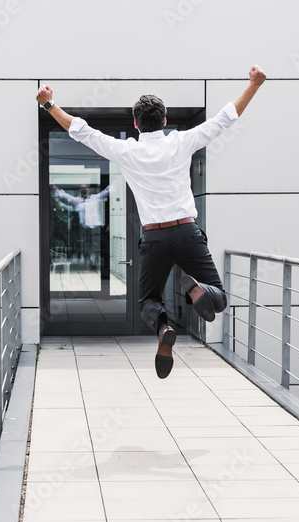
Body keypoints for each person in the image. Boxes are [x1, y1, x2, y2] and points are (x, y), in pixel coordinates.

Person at [36, 66, 266, 378]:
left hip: (154, 238)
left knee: (148, 301)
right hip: (187, 231)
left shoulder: (126, 151)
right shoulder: (181, 142)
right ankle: (198, 289)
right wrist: (254, 84)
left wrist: (49, 104)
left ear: (135, 124)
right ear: (165, 120)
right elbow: (224, 118)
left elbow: (81, 131)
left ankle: (163, 330)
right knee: (220, 296)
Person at [51, 183, 110, 268]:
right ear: (80, 190)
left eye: (85, 187)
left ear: (88, 190)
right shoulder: (76, 200)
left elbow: (106, 192)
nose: (84, 189)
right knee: (85, 246)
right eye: (82, 188)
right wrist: (56, 189)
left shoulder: (94, 198)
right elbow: (65, 196)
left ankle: (98, 263)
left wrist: (116, 181)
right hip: (84, 228)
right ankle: (89, 262)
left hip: (95, 228)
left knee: (97, 246)